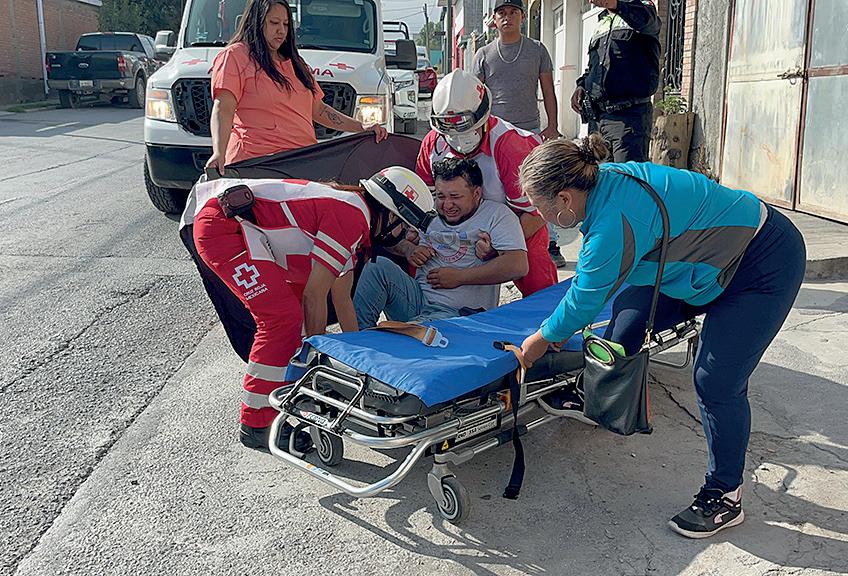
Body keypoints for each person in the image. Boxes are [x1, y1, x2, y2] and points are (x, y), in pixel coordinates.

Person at [517, 134, 806, 538]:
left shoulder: (612, 224)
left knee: (716, 381)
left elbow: (584, 300)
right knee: (624, 327)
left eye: (540, 206)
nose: (539, 214)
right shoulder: (601, 179)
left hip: (760, 262)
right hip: (700, 264)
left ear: (565, 198)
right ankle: (600, 395)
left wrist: (540, 340)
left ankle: (725, 494)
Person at [191, 167, 435, 451]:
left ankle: (287, 397)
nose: (405, 235)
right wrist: (319, 370)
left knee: (293, 322)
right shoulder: (351, 217)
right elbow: (314, 296)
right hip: (224, 228)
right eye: (404, 226)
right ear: (390, 214)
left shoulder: (355, 214)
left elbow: (342, 299)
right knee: (282, 319)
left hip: (240, 227)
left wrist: (360, 361)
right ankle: (256, 425)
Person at [416, 69, 557, 298]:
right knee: (416, 258)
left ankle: (549, 316)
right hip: (456, 221)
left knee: (537, 282)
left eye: (464, 128)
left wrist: (498, 245)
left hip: (516, 219)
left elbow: (538, 212)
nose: (458, 139)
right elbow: (423, 201)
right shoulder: (432, 144)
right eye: (449, 129)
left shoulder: (512, 147)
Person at [205, 0, 387, 174]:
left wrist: (362, 127)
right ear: (256, 22)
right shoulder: (235, 56)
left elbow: (319, 110)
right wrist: (219, 152)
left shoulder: (296, 63)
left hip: (302, 162)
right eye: (274, 23)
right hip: (256, 163)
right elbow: (223, 108)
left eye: (286, 24)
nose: (281, 30)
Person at [355, 158, 528, 328]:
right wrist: (409, 249)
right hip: (417, 300)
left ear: (476, 194)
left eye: (455, 196)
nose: (447, 205)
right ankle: (358, 336)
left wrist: (460, 277)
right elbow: (386, 237)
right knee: (377, 267)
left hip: (460, 314)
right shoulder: (426, 209)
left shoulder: (496, 215)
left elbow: (518, 265)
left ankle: (408, 331)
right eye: (441, 196)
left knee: (418, 331)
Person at [471, 0, 567, 270]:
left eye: (513, 12)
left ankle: (551, 244)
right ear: (493, 19)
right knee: (494, 189)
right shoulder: (483, 54)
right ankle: (492, 240)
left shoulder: (537, 50)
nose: (507, 17)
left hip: (529, 132)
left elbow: (548, 90)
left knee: (539, 187)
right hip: (494, 134)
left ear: (522, 17)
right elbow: (475, 96)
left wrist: (552, 125)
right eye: (502, 13)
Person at [571, 0, 660, 162]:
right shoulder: (602, 22)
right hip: (597, 120)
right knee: (597, 174)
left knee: (626, 175)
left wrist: (616, 4)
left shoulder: (641, 10)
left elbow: (648, 22)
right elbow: (594, 67)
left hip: (628, 118)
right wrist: (581, 86)